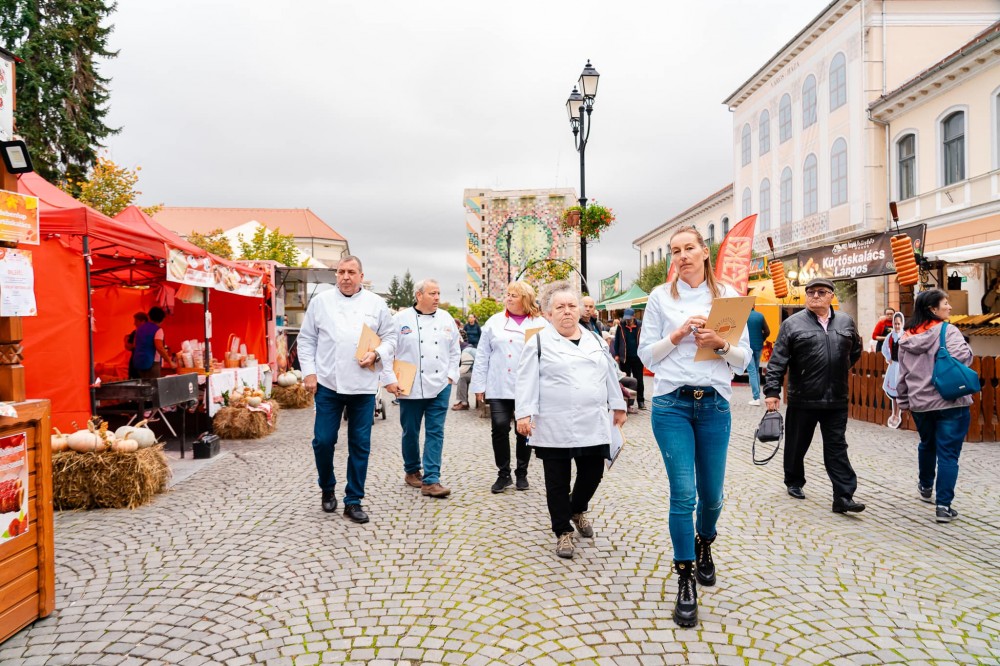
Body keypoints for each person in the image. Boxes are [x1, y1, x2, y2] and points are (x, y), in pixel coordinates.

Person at [638, 225, 750, 628]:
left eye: (689, 248)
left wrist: (718, 342)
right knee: (683, 494)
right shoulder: (659, 297)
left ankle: (706, 544)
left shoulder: (730, 299)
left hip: (715, 407)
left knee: (713, 497)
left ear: (705, 252)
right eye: (675, 250)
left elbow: (743, 361)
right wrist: (679, 333)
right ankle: (685, 577)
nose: (682, 255)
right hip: (672, 406)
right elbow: (645, 353)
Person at [515, 282, 626, 559]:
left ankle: (577, 508)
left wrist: (618, 405)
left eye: (572, 306)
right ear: (548, 313)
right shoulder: (538, 342)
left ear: (580, 310)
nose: (567, 311)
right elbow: (525, 380)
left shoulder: (597, 341)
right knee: (557, 480)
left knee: (592, 474)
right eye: (560, 307)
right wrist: (523, 414)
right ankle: (562, 530)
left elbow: (610, 376)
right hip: (554, 422)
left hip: (592, 421)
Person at [298, 256, 397, 525]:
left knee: (360, 444)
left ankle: (353, 500)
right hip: (328, 384)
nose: (345, 277)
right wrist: (309, 372)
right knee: (323, 440)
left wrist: (377, 353)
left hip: (362, 385)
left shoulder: (376, 304)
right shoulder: (321, 303)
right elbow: (306, 339)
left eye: (351, 272)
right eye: (341, 271)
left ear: (361, 276)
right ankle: (327, 486)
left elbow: (390, 337)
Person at [764, 277, 865, 515]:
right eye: (810, 292)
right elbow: (778, 359)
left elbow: (855, 351)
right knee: (797, 444)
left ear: (831, 296)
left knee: (837, 446)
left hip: (836, 398)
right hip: (803, 397)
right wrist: (772, 391)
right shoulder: (792, 324)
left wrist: (837, 368)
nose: (815, 296)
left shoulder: (846, 321)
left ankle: (843, 496)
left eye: (821, 292)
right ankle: (794, 480)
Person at [897, 289, 975, 523]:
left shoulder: (906, 337)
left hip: (920, 403)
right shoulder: (947, 330)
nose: (950, 307)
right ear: (933, 309)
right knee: (949, 454)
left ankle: (925, 485)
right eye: (945, 303)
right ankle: (943, 506)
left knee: (927, 444)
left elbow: (901, 374)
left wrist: (903, 401)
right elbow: (964, 357)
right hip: (951, 400)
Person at [383, 279, 461, 499]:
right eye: (432, 293)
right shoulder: (400, 320)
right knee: (411, 430)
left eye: (438, 293)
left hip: (440, 385)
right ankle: (411, 470)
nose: (437, 297)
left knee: (436, 431)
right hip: (409, 384)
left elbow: (455, 351)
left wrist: (450, 376)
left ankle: (431, 480)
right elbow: (388, 351)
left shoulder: (446, 319)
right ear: (419, 295)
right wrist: (389, 379)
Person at [471, 281, 545, 493]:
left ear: (525, 299)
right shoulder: (494, 322)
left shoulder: (539, 324)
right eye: (508, 294)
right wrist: (479, 384)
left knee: (524, 430)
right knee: (500, 427)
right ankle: (503, 474)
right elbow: (482, 354)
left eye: (514, 295)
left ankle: (522, 472)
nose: (509, 298)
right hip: (499, 384)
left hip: (528, 386)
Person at [612, 308, 645, 409]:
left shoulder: (640, 325)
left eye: (629, 318)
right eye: (626, 318)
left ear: (634, 316)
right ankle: (627, 402)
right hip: (624, 357)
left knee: (639, 379)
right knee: (625, 380)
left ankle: (640, 401)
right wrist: (617, 354)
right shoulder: (621, 325)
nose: (627, 320)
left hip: (638, 357)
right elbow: (617, 340)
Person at [133, 307, 172, 379]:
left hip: (138, 362)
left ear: (149, 316)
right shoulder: (158, 330)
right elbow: (159, 347)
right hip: (152, 363)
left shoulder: (139, 328)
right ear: (162, 319)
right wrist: (170, 362)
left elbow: (135, 344)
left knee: (143, 386)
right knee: (153, 387)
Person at [881, 312, 905, 428]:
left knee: (900, 390)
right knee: (894, 393)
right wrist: (888, 357)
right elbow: (884, 348)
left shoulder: (905, 336)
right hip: (894, 365)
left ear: (902, 324)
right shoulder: (890, 336)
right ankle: (894, 413)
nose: (896, 326)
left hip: (902, 366)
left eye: (898, 324)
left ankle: (898, 414)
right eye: (895, 324)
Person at [745, 305, 770, 406]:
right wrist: (762, 339)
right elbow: (767, 331)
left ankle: (756, 398)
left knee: (751, 371)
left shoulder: (743, 316)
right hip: (758, 346)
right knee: (756, 370)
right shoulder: (760, 316)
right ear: (754, 305)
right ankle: (757, 396)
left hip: (747, 347)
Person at [124, 311, 149, 379]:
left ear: (143, 321)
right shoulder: (134, 332)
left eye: (136, 321)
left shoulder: (149, 333)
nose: (134, 323)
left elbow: (136, 345)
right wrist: (126, 341)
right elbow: (128, 347)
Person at [452, 344, 476, 411]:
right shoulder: (470, 349)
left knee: (462, 378)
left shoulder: (466, 352)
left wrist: (451, 374)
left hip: (480, 375)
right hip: (479, 373)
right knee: (464, 377)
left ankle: (463, 403)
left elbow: (463, 369)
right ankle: (463, 401)